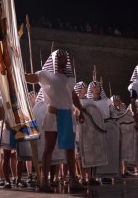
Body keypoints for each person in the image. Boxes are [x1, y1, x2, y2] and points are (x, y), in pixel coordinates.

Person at [25, 49, 86, 192]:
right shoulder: (45, 75)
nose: (64, 60)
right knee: (49, 149)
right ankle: (44, 182)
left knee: (70, 150)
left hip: (67, 116)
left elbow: (73, 96)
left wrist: (81, 110)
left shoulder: (69, 79)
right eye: (61, 58)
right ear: (54, 59)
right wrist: (15, 71)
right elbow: (30, 77)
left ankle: (73, 180)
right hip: (53, 115)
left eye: (65, 58)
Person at [0, 96, 19, 188]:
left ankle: (17, 178)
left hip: (18, 129)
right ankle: (6, 180)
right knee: (6, 156)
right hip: (7, 130)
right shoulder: (2, 98)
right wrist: (4, 107)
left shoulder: (20, 96)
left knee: (17, 156)